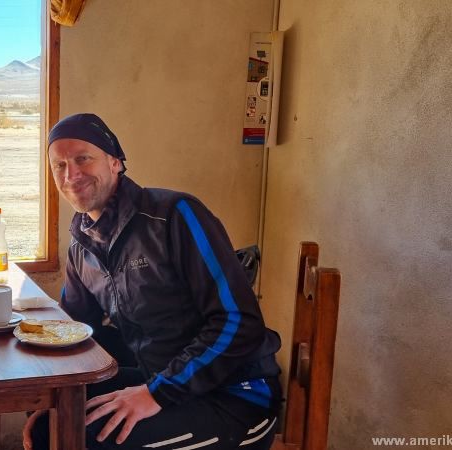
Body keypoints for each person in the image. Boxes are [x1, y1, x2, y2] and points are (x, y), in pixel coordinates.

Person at [24, 113, 283, 450]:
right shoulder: (81, 244)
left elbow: (240, 321)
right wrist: (48, 393)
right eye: (59, 165)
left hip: (235, 396)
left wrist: (156, 393)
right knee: (50, 426)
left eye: (83, 158)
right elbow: (74, 328)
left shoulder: (174, 215)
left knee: (84, 440)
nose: (71, 175)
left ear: (115, 161)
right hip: (158, 378)